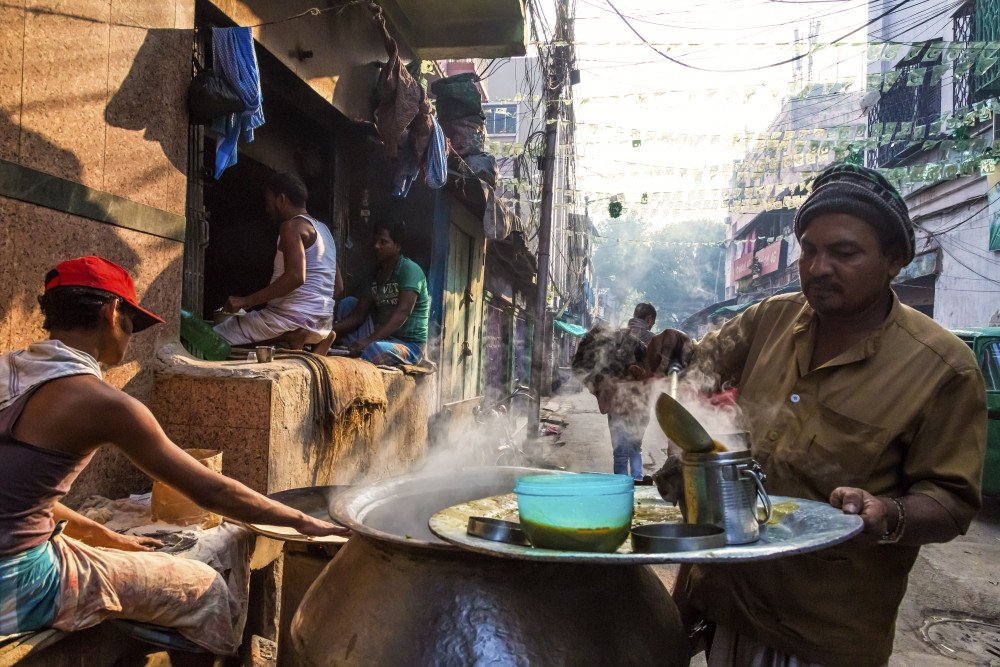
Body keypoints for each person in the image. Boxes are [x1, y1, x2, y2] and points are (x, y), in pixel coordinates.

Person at [645, 163, 987, 666]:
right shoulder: (771, 318)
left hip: (824, 629)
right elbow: (698, 371)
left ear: (894, 259)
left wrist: (888, 514)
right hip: (726, 594)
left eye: (844, 252)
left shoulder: (944, 369)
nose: (818, 267)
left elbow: (952, 502)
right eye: (809, 249)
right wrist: (675, 349)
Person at [0, 256, 348, 654]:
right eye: (132, 323)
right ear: (111, 311)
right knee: (206, 588)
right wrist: (306, 522)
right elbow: (213, 493)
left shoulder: (10, 370)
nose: (131, 338)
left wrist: (104, 535)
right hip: (16, 585)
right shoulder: (103, 404)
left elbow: (21, 495)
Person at [214, 172, 337, 350]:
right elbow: (338, 286)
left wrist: (245, 301)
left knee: (215, 337)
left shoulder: (291, 226)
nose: (267, 209)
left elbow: (295, 277)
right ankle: (303, 338)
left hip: (290, 319)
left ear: (281, 199)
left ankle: (291, 336)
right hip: (323, 323)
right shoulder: (325, 232)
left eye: (268, 201)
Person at [314, 220, 430, 366]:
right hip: (382, 337)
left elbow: (403, 314)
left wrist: (368, 341)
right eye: (375, 241)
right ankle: (348, 346)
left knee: (374, 349)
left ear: (397, 246)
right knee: (348, 304)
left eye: (383, 242)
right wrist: (325, 331)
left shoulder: (409, 270)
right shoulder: (374, 272)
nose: (376, 246)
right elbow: (359, 315)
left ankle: (361, 350)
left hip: (409, 345)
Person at [572, 302, 657, 480]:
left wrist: (600, 387)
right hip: (639, 405)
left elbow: (581, 366)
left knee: (620, 452)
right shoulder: (650, 341)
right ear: (649, 319)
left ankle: (622, 487)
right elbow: (656, 376)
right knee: (635, 448)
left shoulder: (619, 340)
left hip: (618, 404)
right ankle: (636, 483)